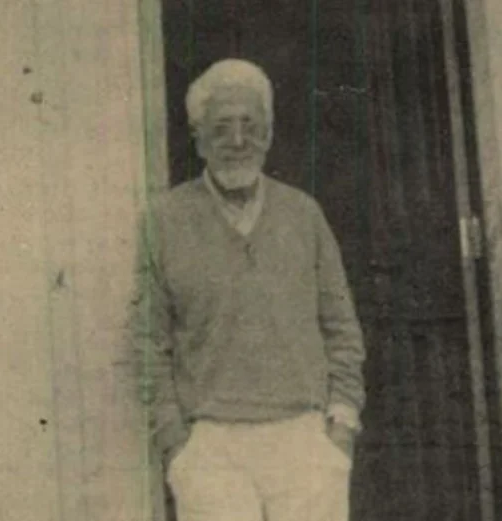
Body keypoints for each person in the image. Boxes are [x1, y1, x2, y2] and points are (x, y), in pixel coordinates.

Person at [131, 58, 366, 521]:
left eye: (251, 126)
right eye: (221, 128)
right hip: (210, 445)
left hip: (303, 438)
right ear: (198, 138)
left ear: (269, 134)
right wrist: (175, 442)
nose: (238, 141)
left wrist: (341, 425)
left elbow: (341, 327)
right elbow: (147, 340)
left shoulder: (304, 215)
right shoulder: (164, 221)